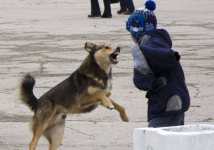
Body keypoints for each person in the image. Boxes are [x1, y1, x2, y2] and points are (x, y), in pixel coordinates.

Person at [126, 0, 190, 127]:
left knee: (156, 141)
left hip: (167, 104)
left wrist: (169, 56)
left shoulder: (150, 46)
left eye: (130, 32)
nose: (130, 36)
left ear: (136, 31)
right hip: (169, 101)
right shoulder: (153, 42)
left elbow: (161, 53)